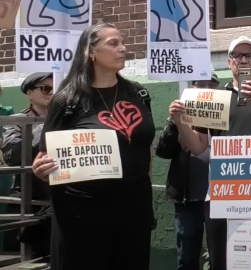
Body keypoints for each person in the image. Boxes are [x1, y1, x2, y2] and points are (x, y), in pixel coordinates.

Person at [30, 23, 156, 270]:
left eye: (122, 42)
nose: (123, 48)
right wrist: (40, 167)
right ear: (91, 52)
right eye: (113, 43)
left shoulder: (138, 93)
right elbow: (44, 155)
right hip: (83, 212)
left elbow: (145, 149)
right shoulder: (67, 100)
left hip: (133, 208)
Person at [170, 36, 251, 270]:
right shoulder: (215, 97)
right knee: (223, 260)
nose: (243, 60)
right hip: (223, 194)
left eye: (249, 55)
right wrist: (180, 122)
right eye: (237, 55)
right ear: (229, 63)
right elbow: (199, 146)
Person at [156, 74, 220, 270]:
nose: (206, 89)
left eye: (211, 85)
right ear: (190, 89)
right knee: (187, 256)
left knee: (218, 255)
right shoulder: (180, 118)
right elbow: (162, 151)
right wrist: (174, 122)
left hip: (217, 198)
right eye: (201, 85)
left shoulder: (223, 115)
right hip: (188, 199)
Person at [1, 72, 53, 256]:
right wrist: (42, 129)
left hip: (58, 198)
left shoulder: (67, 118)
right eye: (45, 88)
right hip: (27, 199)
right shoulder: (18, 120)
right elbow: (12, 155)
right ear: (29, 93)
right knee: (23, 257)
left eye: (56, 88)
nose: (51, 92)